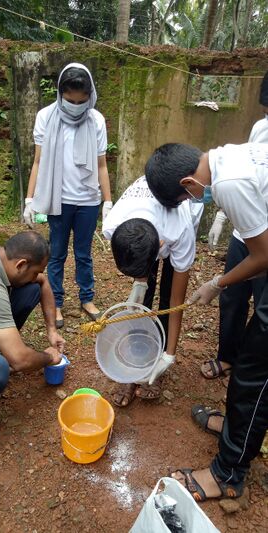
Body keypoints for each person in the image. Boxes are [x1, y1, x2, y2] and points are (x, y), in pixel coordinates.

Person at [145, 141, 268, 501]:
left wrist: (217, 283)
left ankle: (227, 474)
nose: (192, 203)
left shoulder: (229, 183)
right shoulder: (230, 153)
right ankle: (238, 429)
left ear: (187, 183)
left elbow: (262, 256)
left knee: (252, 374)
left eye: (185, 200)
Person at [24, 63, 112, 327]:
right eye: (70, 100)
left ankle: (87, 298)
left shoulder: (96, 120)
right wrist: (30, 199)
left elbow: (101, 165)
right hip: (58, 199)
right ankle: (57, 302)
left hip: (87, 200)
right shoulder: (46, 117)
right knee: (58, 253)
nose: (75, 105)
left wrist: (107, 201)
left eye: (81, 101)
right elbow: (38, 162)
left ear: (90, 96)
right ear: (60, 93)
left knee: (84, 253)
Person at [102, 175, 203, 406]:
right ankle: (137, 360)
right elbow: (137, 264)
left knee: (168, 295)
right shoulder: (112, 225)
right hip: (149, 222)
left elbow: (177, 300)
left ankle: (158, 360)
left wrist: (169, 355)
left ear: (159, 246)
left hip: (177, 222)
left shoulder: (179, 231)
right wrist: (138, 286)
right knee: (142, 298)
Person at [0, 231, 64, 443]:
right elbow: (21, 361)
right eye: (34, 270)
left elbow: (42, 282)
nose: (36, 275)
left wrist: (51, 330)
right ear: (21, 264)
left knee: (29, 289)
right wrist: (49, 358)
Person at [202, 70, 268, 380]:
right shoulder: (260, 128)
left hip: (266, 240)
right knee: (233, 297)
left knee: (263, 307)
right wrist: (222, 215)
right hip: (246, 231)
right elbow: (242, 174)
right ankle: (227, 356)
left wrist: (215, 283)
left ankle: (253, 370)